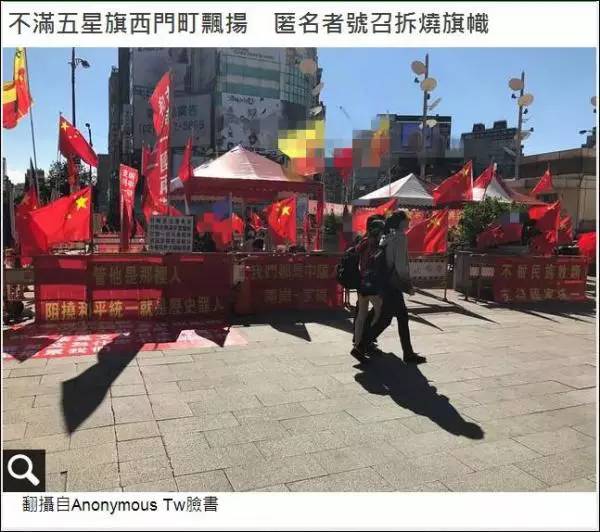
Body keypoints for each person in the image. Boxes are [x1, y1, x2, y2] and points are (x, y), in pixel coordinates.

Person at [363, 210, 425, 364]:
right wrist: (408, 285)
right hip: (394, 284)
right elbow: (401, 266)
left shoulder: (387, 237)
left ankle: (407, 353)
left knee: (395, 318)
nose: (409, 222)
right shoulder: (400, 237)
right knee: (390, 319)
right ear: (401, 222)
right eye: (407, 219)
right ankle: (362, 345)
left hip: (385, 282)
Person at [352, 219, 386, 359]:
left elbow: (357, 253)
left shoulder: (363, 241)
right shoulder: (376, 244)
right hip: (372, 284)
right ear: (378, 231)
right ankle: (366, 342)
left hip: (362, 283)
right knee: (380, 314)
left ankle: (357, 343)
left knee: (361, 315)